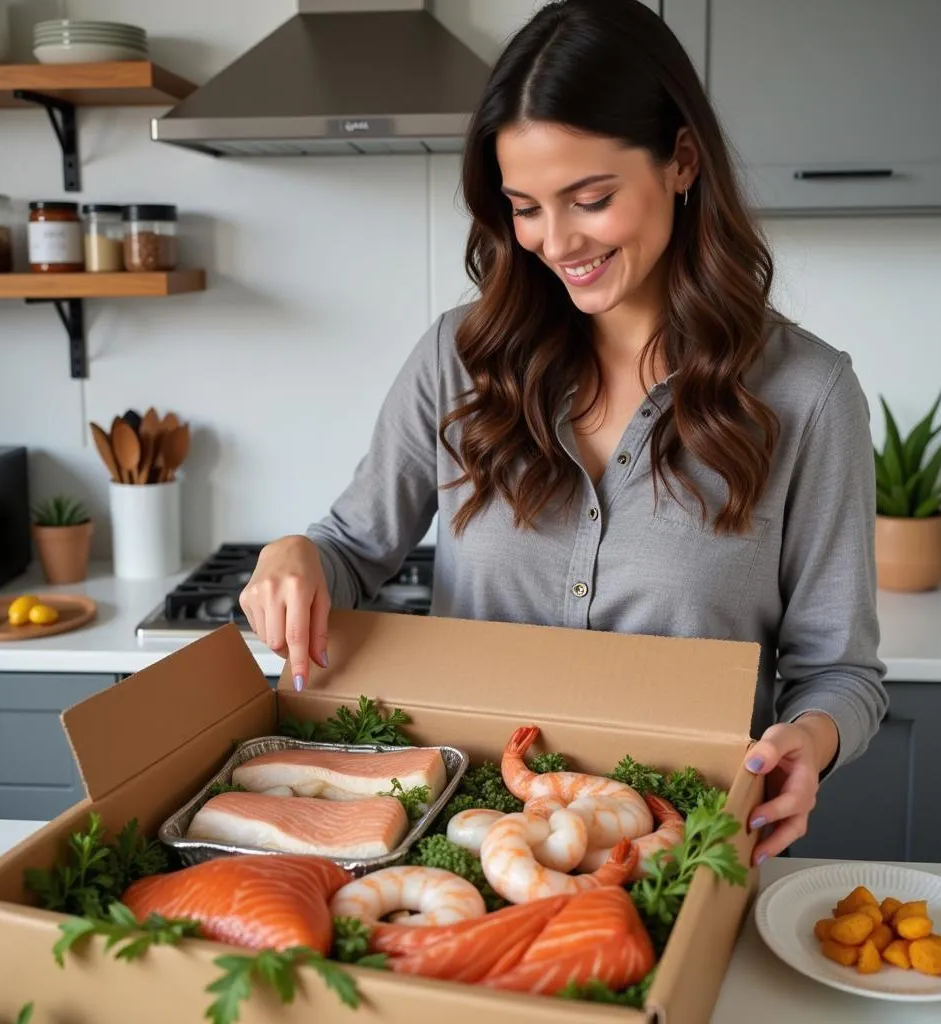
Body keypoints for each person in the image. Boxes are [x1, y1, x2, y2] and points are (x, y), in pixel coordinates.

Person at [240, 0, 888, 868]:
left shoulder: (807, 396)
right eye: (526, 207)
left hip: (677, 846)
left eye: (590, 199)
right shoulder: (458, 357)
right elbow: (351, 547)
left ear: (682, 160)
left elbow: (840, 673)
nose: (556, 241)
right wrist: (296, 555)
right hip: (465, 839)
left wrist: (812, 739)